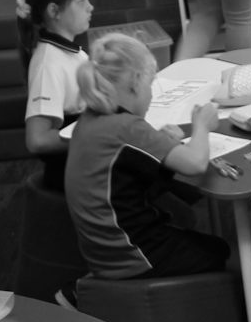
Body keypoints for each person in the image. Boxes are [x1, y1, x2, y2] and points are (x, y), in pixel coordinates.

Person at [65, 32, 229, 280]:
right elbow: (195, 163)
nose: (151, 95)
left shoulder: (87, 122)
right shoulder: (127, 127)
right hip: (134, 254)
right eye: (151, 84)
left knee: (186, 219)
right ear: (136, 81)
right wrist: (202, 126)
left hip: (103, 253)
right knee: (230, 252)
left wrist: (165, 142)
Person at [20, 0, 93, 191]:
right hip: (73, 173)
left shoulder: (72, 53)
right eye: (82, 2)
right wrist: (98, 133)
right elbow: (37, 139)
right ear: (54, 11)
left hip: (86, 161)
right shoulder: (48, 64)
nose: (90, 7)